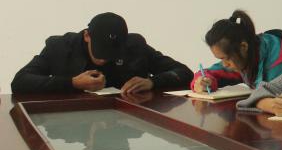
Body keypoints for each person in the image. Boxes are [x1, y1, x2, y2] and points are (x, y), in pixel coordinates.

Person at [11, 12, 192, 95]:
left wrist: (152, 82)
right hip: (74, 118)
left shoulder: (135, 46)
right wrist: (72, 83)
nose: (104, 59)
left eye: (112, 54)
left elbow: (184, 72)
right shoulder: (60, 47)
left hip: (127, 117)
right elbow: (20, 82)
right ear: (87, 36)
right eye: (101, 52)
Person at [190, 10, 282, 91]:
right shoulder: (245, 58)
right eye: (221, 59)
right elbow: (208, 72)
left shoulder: (279, 66)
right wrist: (204, 82)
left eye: (226, 58)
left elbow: (277, 98)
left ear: (243, 47)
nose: (224, 64)